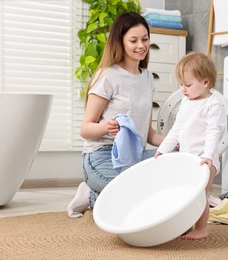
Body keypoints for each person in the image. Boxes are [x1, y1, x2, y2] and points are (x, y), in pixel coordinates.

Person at [67, 12, 164, 218]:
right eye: (133, 40)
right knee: (135, 194)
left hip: (133, 156)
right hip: (101, 156)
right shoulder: (108, 76)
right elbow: (85, 128)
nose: (141, 45)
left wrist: (175, 144)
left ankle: (103, 193)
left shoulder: (147, 77)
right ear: (120, 41)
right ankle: (90, 195)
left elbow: (148, 135)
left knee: (174, 161)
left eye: (145, 39)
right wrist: (105, 127)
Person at [154, 52, 227, 240]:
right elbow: (176, 129)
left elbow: (213, 132)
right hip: (187, 159)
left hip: (205, 161)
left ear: (205, 82)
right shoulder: (186, 103)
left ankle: (201, 228)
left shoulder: (213, 105)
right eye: (181, 85)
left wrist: (209, 156)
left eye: (187, 85)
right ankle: (186, 225)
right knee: (186, 195)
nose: (183, 90)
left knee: (199, 195)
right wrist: (163, 149)